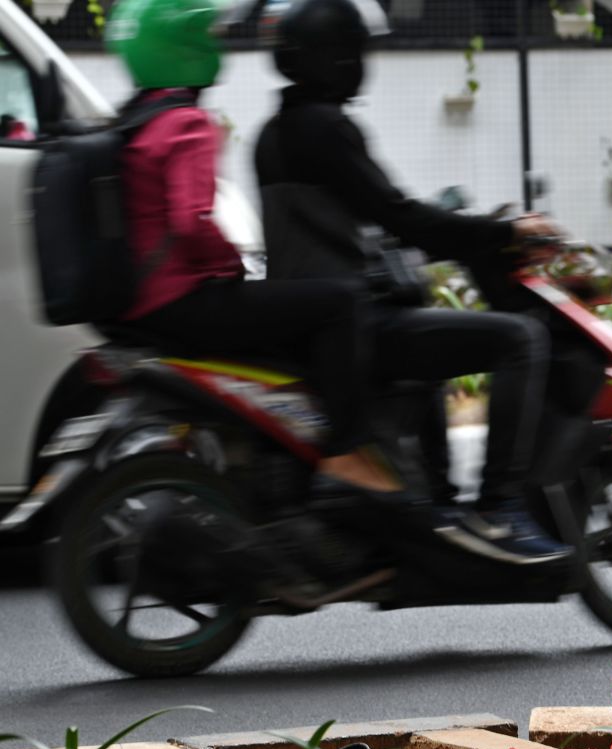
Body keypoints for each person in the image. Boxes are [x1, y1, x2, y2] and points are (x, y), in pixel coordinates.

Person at [253, 0, 572, 566]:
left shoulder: (274, 132)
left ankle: (438, 502)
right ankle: (501, 505)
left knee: (431, 342)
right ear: (341, 57)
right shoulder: (326, 128)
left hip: (321, 321)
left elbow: (363, 220)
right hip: (353, 324)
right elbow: (399, 215)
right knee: (521, 338)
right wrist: (502, 231)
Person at [108, 0, 404, 502]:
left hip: (143, 305)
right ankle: (348, 449)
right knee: (341, 302)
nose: (216, 43)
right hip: (185, 302)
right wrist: (230, 261)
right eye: (208, 35)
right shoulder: (186, 123)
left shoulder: (134, 120)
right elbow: (191, 220)